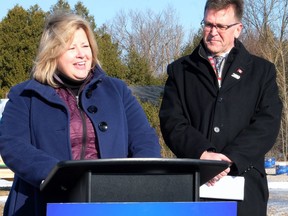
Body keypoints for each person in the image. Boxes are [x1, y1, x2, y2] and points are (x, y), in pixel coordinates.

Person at [0, 12, 161, 216]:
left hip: (111, 204)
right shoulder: (25, 95)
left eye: (85, 46)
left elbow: (145, 139)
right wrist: (59, 175)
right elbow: (13, 146)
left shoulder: (117, 91)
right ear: (52, 52)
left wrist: (137, 181)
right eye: (71, 47)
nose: (81, 54)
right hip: (44, 204)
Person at [159, 0, 282, 215]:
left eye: (221, 26)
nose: (213, 32)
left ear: (238, 29)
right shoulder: (180, 71)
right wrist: (202, 153)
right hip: (195, 187)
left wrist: (231, 158)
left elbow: (267, 123)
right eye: (208, 24)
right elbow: (172, 121)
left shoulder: (262, 72)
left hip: (245, 186)